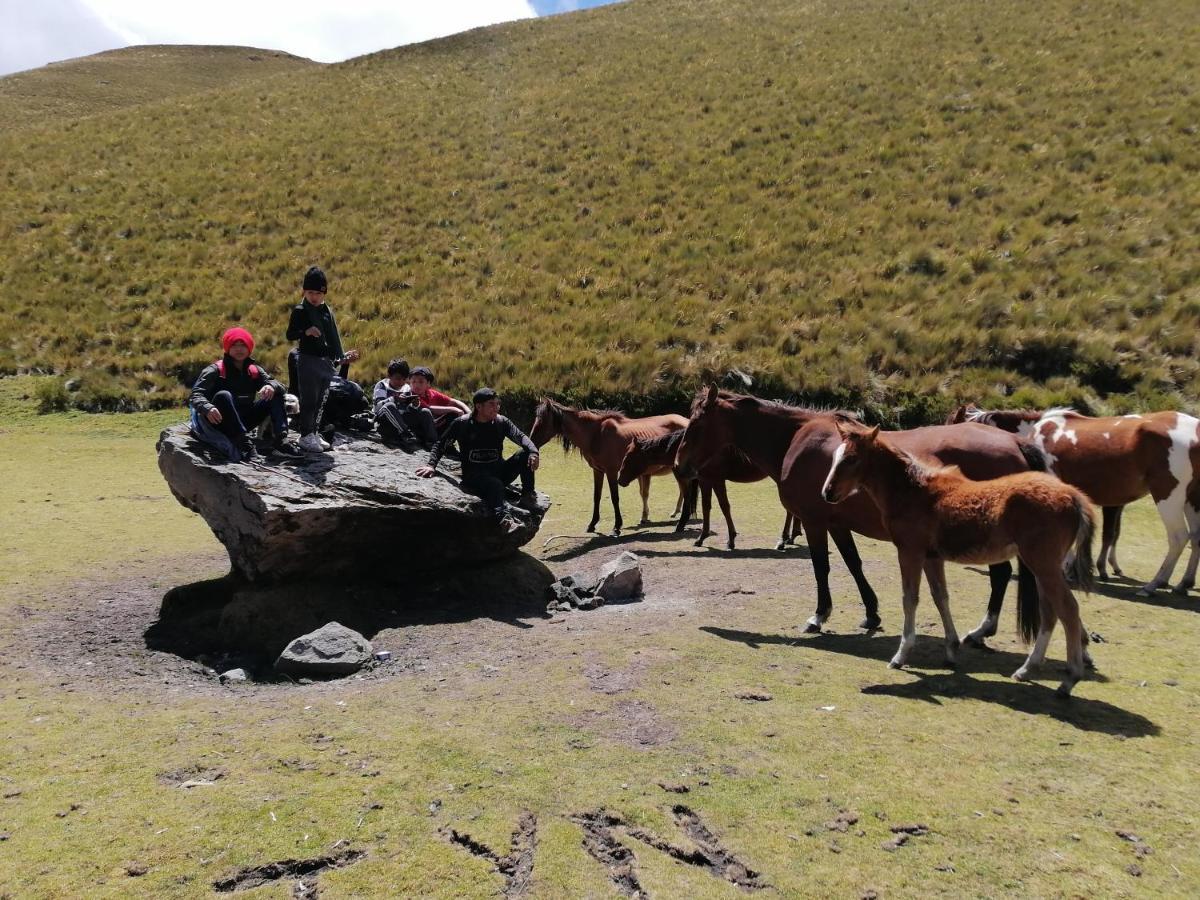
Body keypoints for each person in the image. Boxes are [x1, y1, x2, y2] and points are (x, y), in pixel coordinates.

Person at [417, 387, 539, 534]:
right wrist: (431, 465)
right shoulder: (461, 424)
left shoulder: (501, 422)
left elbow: (520, 437)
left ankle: (527, 496)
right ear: (478, 406)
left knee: (525, 454)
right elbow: (441, 444)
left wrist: (533, 452)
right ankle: (505, 520)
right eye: (491, 404)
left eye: (497, 404)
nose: (497, 408)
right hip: (474, 477)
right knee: (495, 484)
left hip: (498, 472)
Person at [189, 327, 301, 461]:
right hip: (219, 422)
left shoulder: (254, 371)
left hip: (244, 421)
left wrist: (270, 386)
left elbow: (280, 386)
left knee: (275, 393)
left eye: (243, 345)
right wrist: (207, 407)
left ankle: (281, 442)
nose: (239, 349)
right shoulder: (215, 370)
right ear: (227, 348)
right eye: (234, 345)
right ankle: (245, 445)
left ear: (249, 348)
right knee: (223, 395)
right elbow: (195, 394)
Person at [285, 265, 359, 452]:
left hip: (325, 361)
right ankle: (305, 435)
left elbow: (333, 336)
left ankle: (314, 432)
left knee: (321, 400)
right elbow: (290, 334)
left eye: (318, 293)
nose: (314, 297)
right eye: (310, 292)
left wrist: (341, 356)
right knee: (309, 400)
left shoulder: (327, 311)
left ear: (324, 293)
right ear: (304, 292)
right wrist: (306, 331)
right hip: (308, 360)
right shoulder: (301, 310)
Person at [372, 358, 438, 448]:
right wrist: (394, 399)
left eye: (404, 379)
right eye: (398, 379)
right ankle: (406, 434)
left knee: (425, 411)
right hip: (385, 421)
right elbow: (377, 408)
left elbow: (409, 409)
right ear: (389, 376)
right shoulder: (382, 385)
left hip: (402, 418)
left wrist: (415, 404)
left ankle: (433, 442)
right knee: (390, 406)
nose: (401, 382)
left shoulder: (406, 387)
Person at [408, 366, 469, 433]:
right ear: (410, 383)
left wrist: (469, 413)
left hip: (434, 425)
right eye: (413, 382)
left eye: (421, 382)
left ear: (428, 383)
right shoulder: (411, 396)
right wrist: (454, 409)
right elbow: (429, 408)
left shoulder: (431, 393)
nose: (417, 385)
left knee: (459, 416)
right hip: (421, 430)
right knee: (453, 413)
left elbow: (453, 401)